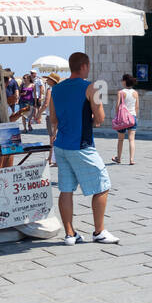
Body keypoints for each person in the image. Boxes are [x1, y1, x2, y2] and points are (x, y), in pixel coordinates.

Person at [48, 51, 118, 244]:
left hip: (61, 145)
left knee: (66, 189)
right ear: (84, 66)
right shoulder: (91, 87)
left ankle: (70, 234)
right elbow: (100, 118)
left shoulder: (56, 89)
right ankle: (99, 231)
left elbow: (53, 119)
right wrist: (92, 119)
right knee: (103, 185)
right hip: (81, 145)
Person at [112, 73, 139, 165]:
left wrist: (117, 117)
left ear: (124, 81)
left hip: (122, 119)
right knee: (131, 139)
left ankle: (118, 158)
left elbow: (117, 106)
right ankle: (131, 159)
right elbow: (137, 107)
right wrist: (134, 116)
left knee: (120, 139)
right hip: (132, 117)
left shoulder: (121, 92)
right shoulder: (135, 93)